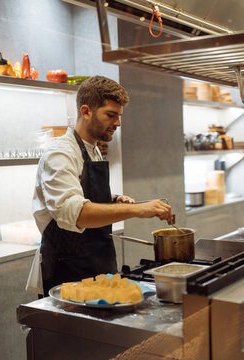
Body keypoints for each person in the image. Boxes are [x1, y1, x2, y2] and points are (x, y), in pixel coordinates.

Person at [31, 75, 173, 295]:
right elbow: (75, 213)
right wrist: (137, 210)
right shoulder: (60, 154)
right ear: (86, 111)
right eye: (111, 115)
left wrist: (114, 199)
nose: (118, 123)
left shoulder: (93, 148)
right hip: (67, 274)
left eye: (119, 115)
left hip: (99, 264)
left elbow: (83, 193)